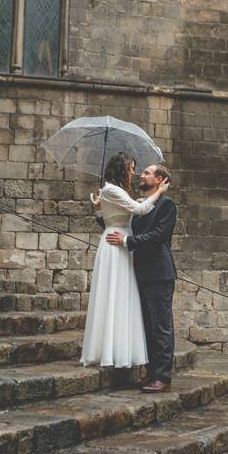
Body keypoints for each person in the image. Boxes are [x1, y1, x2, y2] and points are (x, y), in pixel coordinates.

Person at [80, 153, 168, 369]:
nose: (134, 173)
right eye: (132, 168)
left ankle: (119, 348)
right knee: (113, 296)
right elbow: (140, 210)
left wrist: (100, 208)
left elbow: (119, 213)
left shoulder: (112, 191)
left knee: (121, 297)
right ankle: (111, 351)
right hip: (116, 245)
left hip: (121, 244)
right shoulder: (112, 189)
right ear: (122, 168)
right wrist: (159, 192)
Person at [105, 164, 177, 393]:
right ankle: (151, 372)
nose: (141, 175)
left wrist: (128, 243)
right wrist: (100, 209)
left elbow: (158, 236)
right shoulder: (138, 206)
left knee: (161, 327)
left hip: (159, 273)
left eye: (147, 172)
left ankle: (163, 377)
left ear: (160, 180)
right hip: (140, 272)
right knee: (146, 326)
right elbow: (121, 227)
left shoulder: (166, 205)